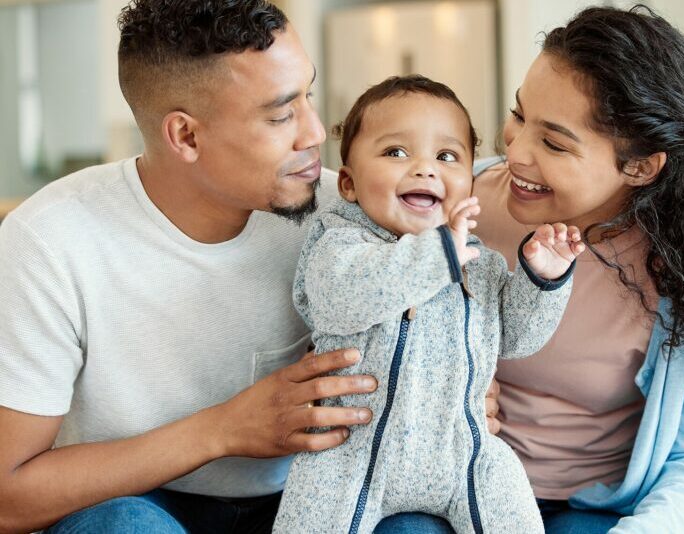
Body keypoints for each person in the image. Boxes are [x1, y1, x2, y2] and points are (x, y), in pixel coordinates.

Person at [0, 2, 438, 532]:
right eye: (281, 115)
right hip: (139, 502)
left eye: (309, 96)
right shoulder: (49, 241)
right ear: (185, 136)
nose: (315, 133)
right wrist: (222, 431)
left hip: (314, 493)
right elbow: (8, 496)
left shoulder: (344, 211)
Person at [469, 6, 684, 534]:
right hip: (455, 483)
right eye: (518, 115)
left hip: (590, 511)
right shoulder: (455, 207)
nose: (516, 151)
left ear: (640, 166)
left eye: (554, 142)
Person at [272, 75, 584, 533]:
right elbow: (344, 300)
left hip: (464, 452)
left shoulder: (480, 263)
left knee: (511, 507)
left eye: (447, 156)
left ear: (469, 184)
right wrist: (437, 254)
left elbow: (515, 338)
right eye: (396, 153)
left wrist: (543, 278)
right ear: (349, 183)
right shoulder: (339, 246)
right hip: (350, 454)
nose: (425, 169)